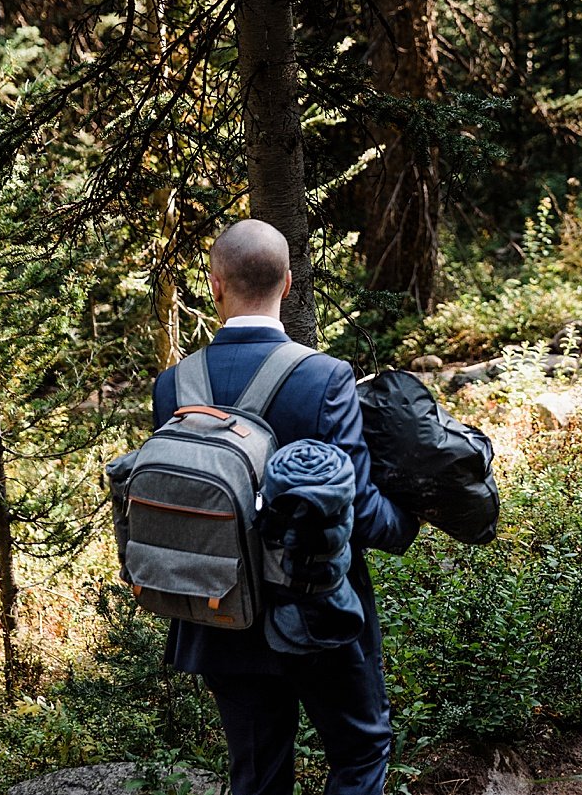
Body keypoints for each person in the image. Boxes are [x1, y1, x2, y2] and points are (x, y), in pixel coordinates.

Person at [151, 219, 419, 795]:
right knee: (360, 753)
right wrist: (411, 518)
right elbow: (360, 511)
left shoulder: (174, 385)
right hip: (315, 612)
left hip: (218, 612)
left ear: (215, 284)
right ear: (290, 284)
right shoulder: (324, 377)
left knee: (257, 776)